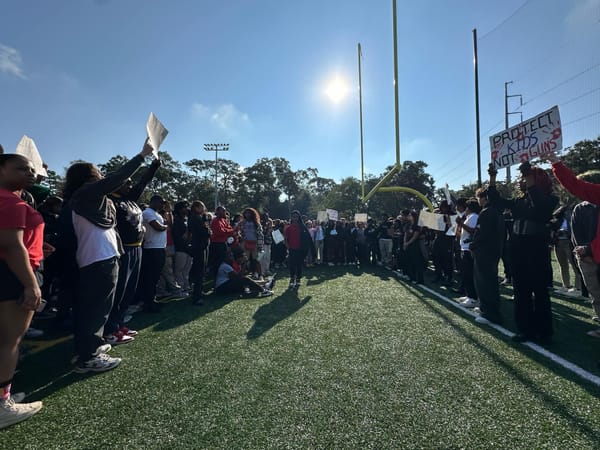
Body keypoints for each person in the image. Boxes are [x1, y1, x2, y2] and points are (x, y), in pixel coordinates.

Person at [64, 140, 154, 371]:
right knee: (95, 308)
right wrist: (141, 156)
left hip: (106, 256)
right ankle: (88, 357)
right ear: (88, 176)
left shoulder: (96, 200)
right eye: (98, 173)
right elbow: (116, 179)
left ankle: (90, 345)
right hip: (96, 259)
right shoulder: (85, 193)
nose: (102, 176)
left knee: (100, 307)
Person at [488, 161, 558, 343]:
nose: (521, 181)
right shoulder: (519, 200)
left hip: (536, 247)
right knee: (521, 290)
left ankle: (544, 331)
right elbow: (497, 201)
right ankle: (525, 329)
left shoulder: (550, 199)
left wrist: (529, 177)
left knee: (540, 290)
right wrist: (493, 178)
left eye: (525, 177)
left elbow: (540, 207)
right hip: (518, 247)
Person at [0, 154, 44, 429]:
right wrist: (31, 283)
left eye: (31, 169)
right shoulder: (10, 201)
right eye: (21, 168)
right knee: (9, 340)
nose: (29, 173)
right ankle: (2, 404)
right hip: (11, 275)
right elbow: (13, 247)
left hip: (9, 270)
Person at [104, 158, 160, 343]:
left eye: (130, 182)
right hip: (122, 250)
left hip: (137, 249)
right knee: (118, 290)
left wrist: (154, 166)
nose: (130, 185)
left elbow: (142, 182)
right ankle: (110, 329)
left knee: (129, 290)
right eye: (126, 182)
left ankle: (119, 324)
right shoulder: (109, 200)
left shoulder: (129, 200)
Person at [471, 187, 505, 325]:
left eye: (479, 197)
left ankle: (490, 313)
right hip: (493, 251)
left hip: (485, 252)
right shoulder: (497, 212)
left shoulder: (486, 212)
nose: (478, 200)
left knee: (485, 282)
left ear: (485, 198)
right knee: (488, 281)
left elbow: (482, 234)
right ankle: (486, 309)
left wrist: (473, 244)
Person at [136, 195, 168, 313]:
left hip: (159, 248)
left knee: (155, 277)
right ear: (154, 202)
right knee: (150, 277)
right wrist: (165, 226)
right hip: (151, 249)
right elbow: (158, 227)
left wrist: (167, 218)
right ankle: (147, 303)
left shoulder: (157, 214)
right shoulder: (147, 212)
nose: (162, 205)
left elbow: (167, 223)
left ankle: (152, 300)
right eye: (161, 202)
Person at [456, 199, 480, 308]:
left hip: (468, 249)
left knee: (469, 274)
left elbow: (473, 231)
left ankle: (473, 298)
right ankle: (469, 295)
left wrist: (461, 223)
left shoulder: (474, 216)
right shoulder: (470, 217)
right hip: (464, 248)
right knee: (466, 274)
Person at [284, 210, 315, 288]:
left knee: (299, 264)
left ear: (299, 217)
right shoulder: (288, 228)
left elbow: (308, 238)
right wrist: (288, 248)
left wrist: (308, 248)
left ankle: (298, 279)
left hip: (301, 249)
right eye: (293, 217)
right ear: (291, 217)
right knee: (292, 264)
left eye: (296, 217)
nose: (295, 218)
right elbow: (286, 239)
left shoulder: (302, 227)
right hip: (292, 248)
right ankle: (292, 278)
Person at [188, 201, 211, 305]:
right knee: (199, 272)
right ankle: (197, 296)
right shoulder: (195, 218)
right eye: (202, 207)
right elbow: (204, 231)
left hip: (202, 246)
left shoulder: (200, 218)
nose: (204, 208)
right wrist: (208, 231)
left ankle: (199, 291)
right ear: (196, 207)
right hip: (199, 247)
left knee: (202, 270)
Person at [172, 200, 193, 293]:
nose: (187, 208)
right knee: (179, 270)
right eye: (185, 207)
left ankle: (186, 286)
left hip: (188, 248)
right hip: (180, 248)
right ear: (179, 209)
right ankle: (179, 288)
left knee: (186, 270)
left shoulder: (187, 220)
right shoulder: (176, 220)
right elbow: (178, 236)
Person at [209, 206, 235, 278]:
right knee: (217, 262)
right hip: (217, 244)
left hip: (223, 243)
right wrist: (229, 231)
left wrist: (228, 230)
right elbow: (220, 232)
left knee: (224, 260)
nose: (224, 212)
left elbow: (229, 228)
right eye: (223, 211)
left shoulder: (223, 220)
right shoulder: (215, 220)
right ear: (217, 212)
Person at [403, 211, 425, 284]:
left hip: (415, 245)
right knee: (410, 261)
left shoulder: (417, 225)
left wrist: (408, 243)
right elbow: (406, 234)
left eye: (410, 215)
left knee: (417, 262)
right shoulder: (408, 224)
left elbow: (415, 236)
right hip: (408, 245)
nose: (408, 216)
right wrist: (405, 243)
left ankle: (419, 279)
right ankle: (412, 277)